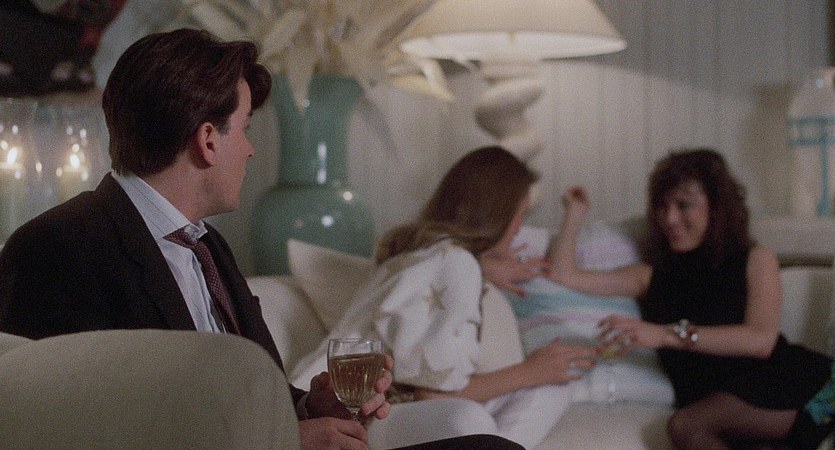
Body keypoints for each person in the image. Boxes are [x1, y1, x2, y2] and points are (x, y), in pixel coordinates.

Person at [0, 29, 522, 450]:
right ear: (208, 140)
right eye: (245, 128)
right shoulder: (57, 248)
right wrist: (280, 442)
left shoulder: (207, 245)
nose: (250, 150)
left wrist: (310, 407)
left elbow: (242, 401)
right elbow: (75, 426)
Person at [292, 146, 598, 449]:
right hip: (361, 414)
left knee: (553, 389)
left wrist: (485, 265)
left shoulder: (423, 252)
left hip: (355, 406)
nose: (520, 228)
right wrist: (531, 370)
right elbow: (433, 394)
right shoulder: (457, 263)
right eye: (520, 215)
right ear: (498, 214)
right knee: (469, 419)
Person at [549, 148, 835, 449]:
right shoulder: (650, 276)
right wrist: (574, 215)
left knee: (686, 426)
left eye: (684, 205)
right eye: (663, 206)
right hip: (725, 402)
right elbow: (564, 275)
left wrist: (665, 335)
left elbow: (761, 341)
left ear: (716, 208)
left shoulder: (756, 258)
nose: (670, 218)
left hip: (807, 386)